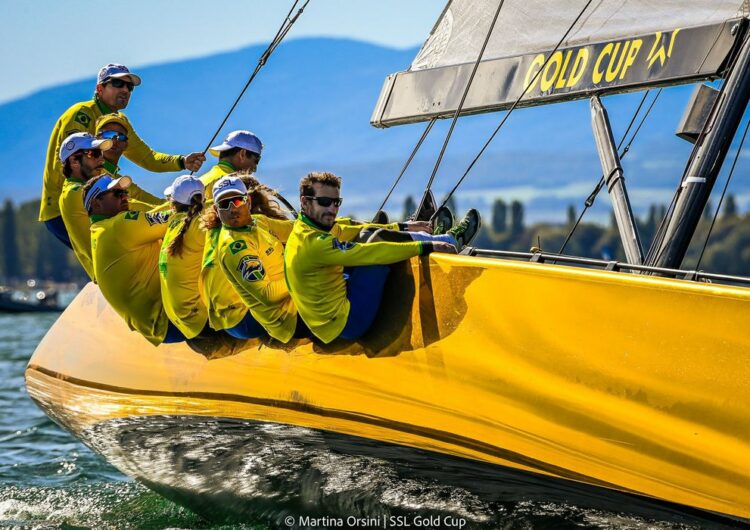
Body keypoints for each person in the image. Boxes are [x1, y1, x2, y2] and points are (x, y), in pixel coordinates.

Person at [284, 171, 480, 344]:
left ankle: (432, 237)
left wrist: (402, 227)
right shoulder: (315, 243)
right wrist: (426, 246)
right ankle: (449, 240)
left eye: (336, 203)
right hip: (347, 322)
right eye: (325, 202)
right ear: (304, 202)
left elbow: (348, 228)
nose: (332, 209)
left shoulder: (303, 228)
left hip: (326, 321)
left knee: (366, 233)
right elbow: (373, 252)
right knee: (378, 245)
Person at [41, 63, 205, 247]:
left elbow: (146, 157)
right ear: (100, 88)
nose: (126, 90)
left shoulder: (119, 122)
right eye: (118, 84)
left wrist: (182, 162)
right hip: (64, 208)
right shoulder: (82, 114)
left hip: (97, 202)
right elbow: (75, 163)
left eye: (130, 87)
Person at [85, 175, 185, 345]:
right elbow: (181, 217)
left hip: (156, 328)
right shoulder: (119, 226)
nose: (125, 197)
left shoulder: (98, 230)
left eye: (125, 193)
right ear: (96, 203)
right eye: (117, 194)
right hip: (169, 320)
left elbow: (157, 215)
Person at [58, 132, 161, 281]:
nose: (101, 159)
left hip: (118, 271)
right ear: (74, 161)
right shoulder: (76, 193)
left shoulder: (75, 189)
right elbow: (136, 208)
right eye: (93, 154)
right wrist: (178, 206)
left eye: (101, 153)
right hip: (121, 275)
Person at [211, 176, 303, 342]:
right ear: (216, 210)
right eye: (224, 204)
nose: (232, 208)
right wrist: (304, 276)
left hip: (292, 303)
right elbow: (267, 295)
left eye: (238, 201)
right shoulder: (234, 246)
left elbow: (300, 230)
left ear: (249, 201)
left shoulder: (258, 222)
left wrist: (353, 225)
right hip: (286, 319)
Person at [158, 175, 210, 340]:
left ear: (173, 203)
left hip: (182, 323)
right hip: (200, 323)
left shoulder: (173, 222)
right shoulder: (199, 225)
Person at [94, 114, 163, 208]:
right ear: (96, 139)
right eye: (108, 135)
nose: (114, 141)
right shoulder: (90, 173)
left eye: (120, 137)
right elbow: (129, 205)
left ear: (126, 145)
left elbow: (154, 202)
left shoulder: (119, 179)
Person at [199, 131, 262, 200]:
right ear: (242, 154)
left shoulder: (200, 181)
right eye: (256, 161)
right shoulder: (239, 184)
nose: (255, 169)